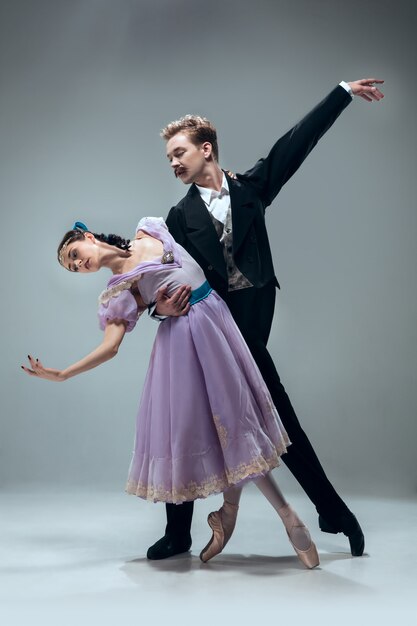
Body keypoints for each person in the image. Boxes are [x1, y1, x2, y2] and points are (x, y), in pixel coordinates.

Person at [148, 78, 385, 560]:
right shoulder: (176, 217)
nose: (173, 162)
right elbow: (156, 277)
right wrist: (158, 308)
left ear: (206, 149)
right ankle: (182, 531)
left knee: (264, 411)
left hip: (252, 314)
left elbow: (295, 144)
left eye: (179, 152)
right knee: (196, 417)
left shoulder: (251, 188)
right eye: (169, 157)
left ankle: (329, 509)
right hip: (207, 324)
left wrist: (340, 93)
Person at [22, 216, 321, 568]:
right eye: (72, 267)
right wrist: (64, 374)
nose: (77, 264)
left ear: (88, 237)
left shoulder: (149, 228)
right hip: (184, 346)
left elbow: (200, 258)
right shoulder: (120, 292)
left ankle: (227, 513)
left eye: (74, 253)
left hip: (217, 322)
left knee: (235, 424)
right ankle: (289, 518)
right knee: (226, 429)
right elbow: (110, 347)